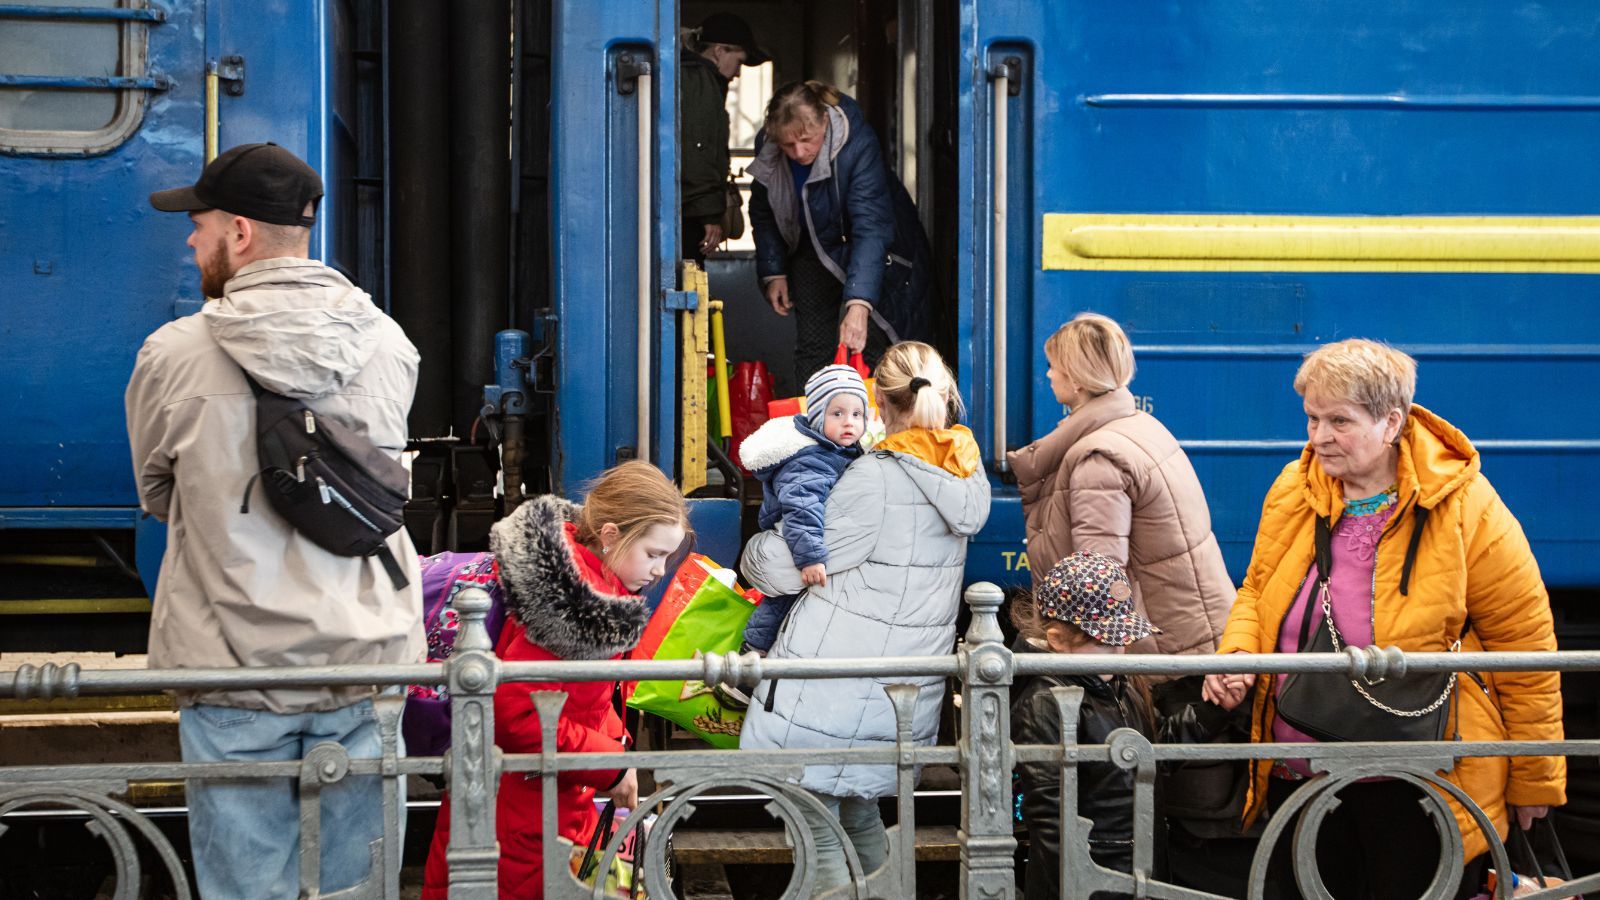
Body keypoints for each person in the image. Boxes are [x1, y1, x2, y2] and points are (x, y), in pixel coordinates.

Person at [128, 142, 424, 898]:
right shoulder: (389, 345)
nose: (190, 241)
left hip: (233, 667)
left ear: (240, 232)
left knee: (242, 889)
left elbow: (159, 495)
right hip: (364, 664)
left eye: (197, 226)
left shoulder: (173, 353)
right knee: (360, 886)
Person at [1202, 339, 1566, 899]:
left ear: (1391, 421)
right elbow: (1255, 590)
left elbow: (1526, 646)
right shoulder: (1295, 489)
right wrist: (1238, 657)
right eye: (1313, 418)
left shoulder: (1468, 506)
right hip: (1301, 769)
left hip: (1421, 780)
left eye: (1340, 421)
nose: (1319, 436)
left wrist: (1534, 775)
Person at [738, 341, 991, 893]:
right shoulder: (964, 472)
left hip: (835, 687)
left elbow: (781, 568)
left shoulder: (876, 477)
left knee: (814, 823)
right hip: (900, 688)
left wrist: (756, 548)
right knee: (859, 815)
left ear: (880, 402)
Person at [1006, 312, 1247, 884]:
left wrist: (1073, 651)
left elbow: (1099, 581)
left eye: (1053, 365)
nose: (1046, 375)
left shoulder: (1096, 458)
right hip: (1182, 639)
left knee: (1135, 810)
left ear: (1078, 376)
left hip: (1154, 654)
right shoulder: (1138, 429)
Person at [421, 461, 691, 899]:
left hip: (533, 799)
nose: (660, 570)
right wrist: (611, 763)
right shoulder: (571, 610)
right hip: (519, 816)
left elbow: (583, 703)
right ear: (609, 536)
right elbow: (517, 712)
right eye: (653, 554)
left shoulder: (584, 589)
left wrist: (617, 752)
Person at [1011, 551, 1231, 900]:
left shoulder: (1117, 683)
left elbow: (1154, 751)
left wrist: (1214, 710)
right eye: (1104, 640)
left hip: (1135, 865)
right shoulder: (1045, 702)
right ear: (1056, 640)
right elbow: (1050, 820)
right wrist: (1079, 882)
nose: (1120, 649)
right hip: (1091, 878)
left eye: (1123, 637)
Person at [748, 80, 935, 385]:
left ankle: (874, 428)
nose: (798, 152)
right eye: (787, 145)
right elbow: (763, 210)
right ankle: (813, 427)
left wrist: (859, 303)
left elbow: (871, 226)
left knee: (872, 346)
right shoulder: (768, 146)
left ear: (824, 121)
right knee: (813, 350)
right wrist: (773, 271)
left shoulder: (857, 142)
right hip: (811, 250)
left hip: (868, 250)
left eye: (807, 140)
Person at [734, 363, 869, 664]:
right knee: (782, 600)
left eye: (857, 414)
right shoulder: (812, 459)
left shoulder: (838, 450)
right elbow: (802, 509)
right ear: (819, 417)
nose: (849, 422)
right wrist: (809, 557)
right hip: (793, 540)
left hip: (809, 538)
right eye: (838, 414)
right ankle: (753, 653)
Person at [680, 12, 768, 263]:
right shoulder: (699, 82)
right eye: (739, 61)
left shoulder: (695, 78)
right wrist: (709, 215)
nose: (738, 72)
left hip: (688, 208)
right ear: (719, 51)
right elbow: (698, 150)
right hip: (692, 214)